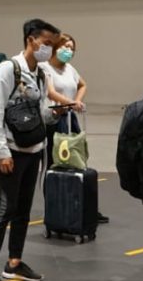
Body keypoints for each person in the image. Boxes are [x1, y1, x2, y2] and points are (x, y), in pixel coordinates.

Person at [0, 19, 60, 281]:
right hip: (12, 151)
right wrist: (1, 152)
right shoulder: (7, 70)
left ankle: (14, 262)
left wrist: (57, 112)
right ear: (31, 40)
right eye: (46, 43)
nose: (49, 49)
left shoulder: (41, 73)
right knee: (5, 208)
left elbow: (41, 112)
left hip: (34, 149)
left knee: (24, 209)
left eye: (52, 45)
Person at [42, 34, 107, 225]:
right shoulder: (45, 68)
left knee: (77, 161)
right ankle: (54, 208)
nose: (68, 51)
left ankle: (80, 206)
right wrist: (71, 102)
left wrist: (76, 100)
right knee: (56, 164)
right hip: (55, 120)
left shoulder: (69, 68)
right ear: (55, 47)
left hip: (71, 118)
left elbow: (82, 84)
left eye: (72, 48)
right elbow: (51, 92)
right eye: (65, 47)